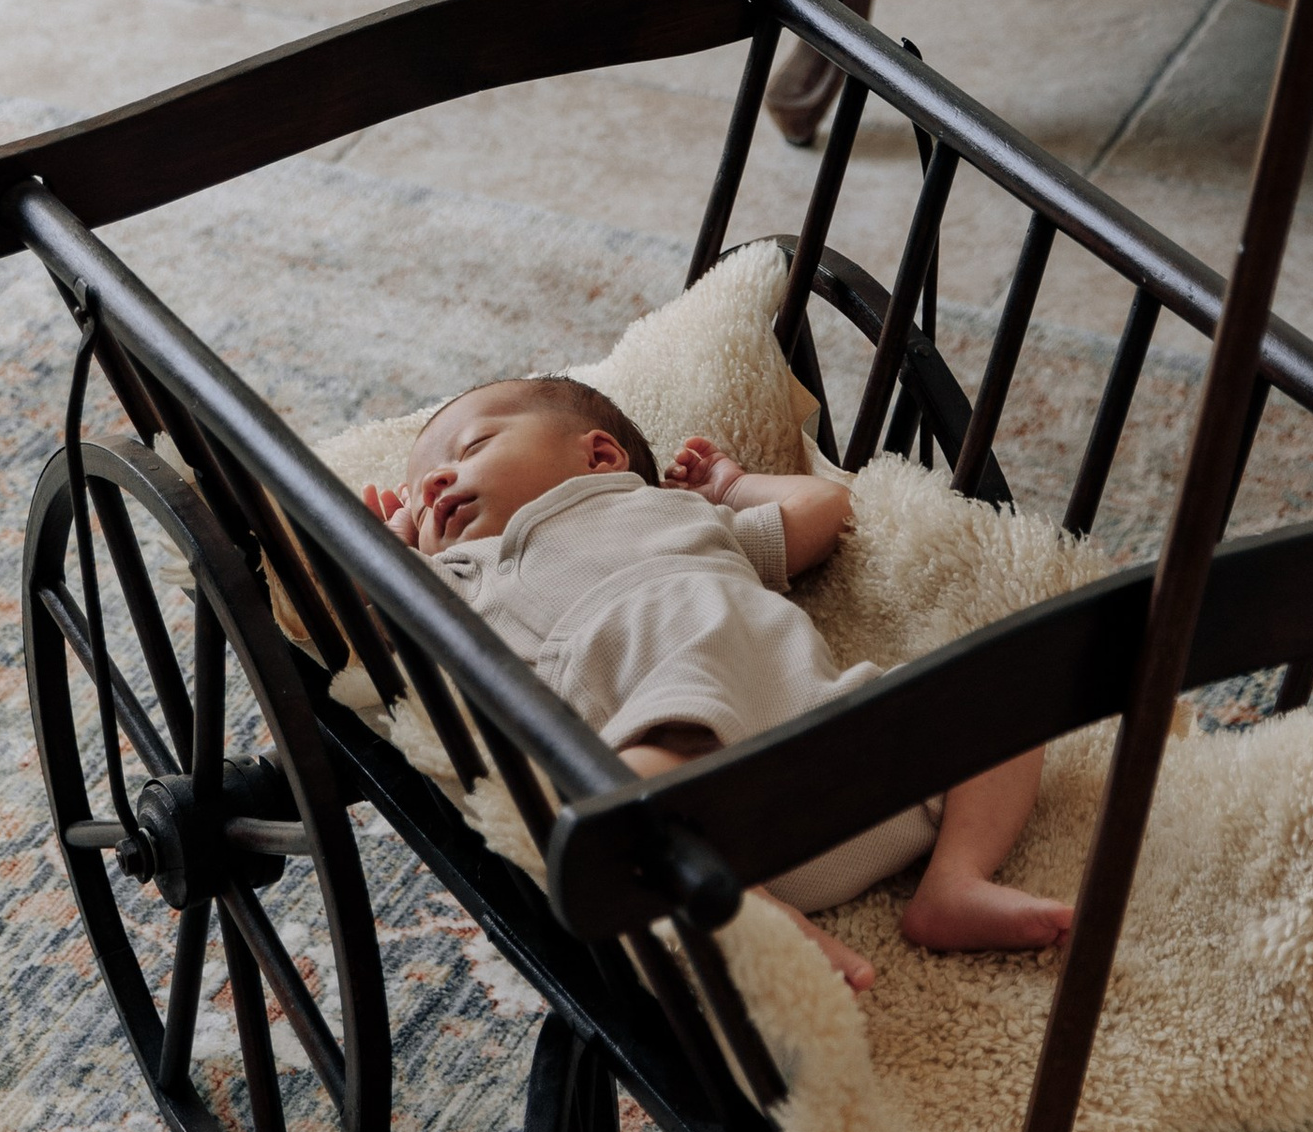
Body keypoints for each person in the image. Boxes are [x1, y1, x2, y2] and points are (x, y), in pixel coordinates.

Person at [364, 373, 1071, 988]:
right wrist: (387, 564)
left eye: (471, 448)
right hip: (696, 799)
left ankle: (955, 882)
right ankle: (765, 924)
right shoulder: (461, 576)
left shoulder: (682, 513)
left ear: (600, 457)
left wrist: (734, 487)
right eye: (420, 503)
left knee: (998, 690)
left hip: (845, 751)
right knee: (614, 791)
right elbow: (382, 647)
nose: (433, 486)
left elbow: (827, 510)